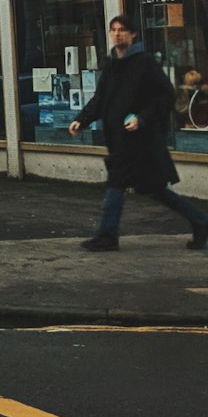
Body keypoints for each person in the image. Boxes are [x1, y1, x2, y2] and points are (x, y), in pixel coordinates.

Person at [69, 16, 208, 251]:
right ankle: (201, 221)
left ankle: (107, 236)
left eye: (122, 30)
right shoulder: (112, 65)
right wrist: (80, 120)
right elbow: (100, 99)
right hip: (119, 140)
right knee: (155, 189)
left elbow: (165, 96)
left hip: (141, 141)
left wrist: (141, 118)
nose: (117, 34)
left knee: (117, 182)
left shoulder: (144, 63)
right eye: (113, 30)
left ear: (133, 34)